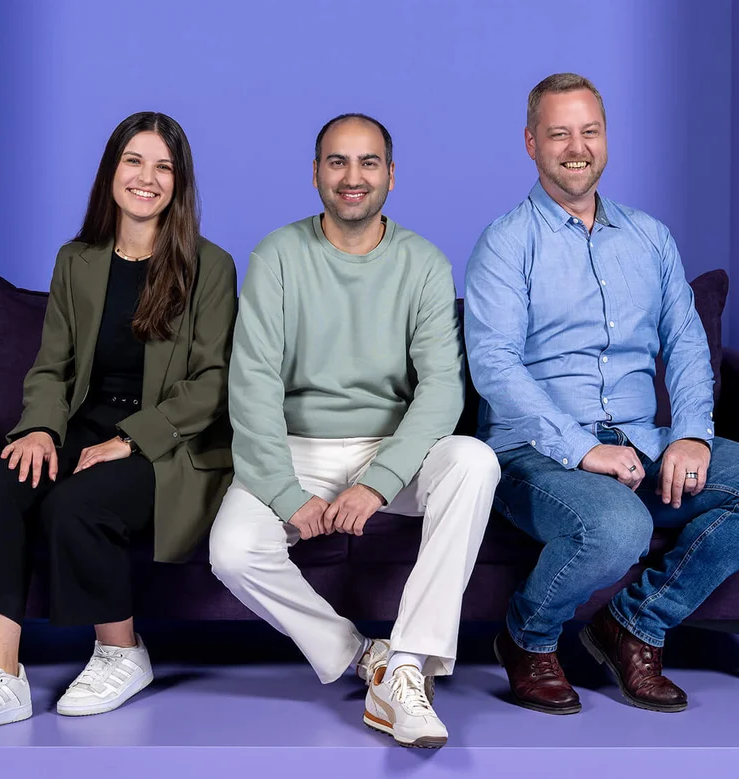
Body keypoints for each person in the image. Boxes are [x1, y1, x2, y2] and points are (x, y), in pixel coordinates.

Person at [464, 73, 739, 715]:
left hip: (641, 441)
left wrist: (691, 434)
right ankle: (527, 639)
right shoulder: (507, 243)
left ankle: (634, 623)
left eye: (589, 131)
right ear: (531, 142)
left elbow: (684, 343)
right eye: (559, 132)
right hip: (532, 454)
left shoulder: (651, 237)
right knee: (621, 524)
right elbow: (494, 365)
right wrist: (579, 449)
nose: (576, 146)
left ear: (606, 140)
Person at [0, 112, 237, 739]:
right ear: (111, 170)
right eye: (133, 161)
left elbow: (212, 384)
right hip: (81, 427)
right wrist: (38, 429)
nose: (146, 178)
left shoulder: (211, 266)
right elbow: (51, 367)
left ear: (179, 182)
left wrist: (131, 440)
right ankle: (0, 678)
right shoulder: (79, 260)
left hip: (168, 445)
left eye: (163, 167)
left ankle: (123, 654)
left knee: (76, 504)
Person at [208, 113, 498, 748]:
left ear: (391, 176)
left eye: (368, 163)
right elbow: (251, 381)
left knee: (475, 461)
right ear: (315, 173)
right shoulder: (277, 255)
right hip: (295, 449)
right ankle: (365, 656)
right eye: (337, 162)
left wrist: (378, 482)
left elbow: (442, 388)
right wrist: (286, 493)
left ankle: (410, 664)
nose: (352, 177)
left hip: (391, 451)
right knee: (230, 549)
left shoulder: (423, 263)